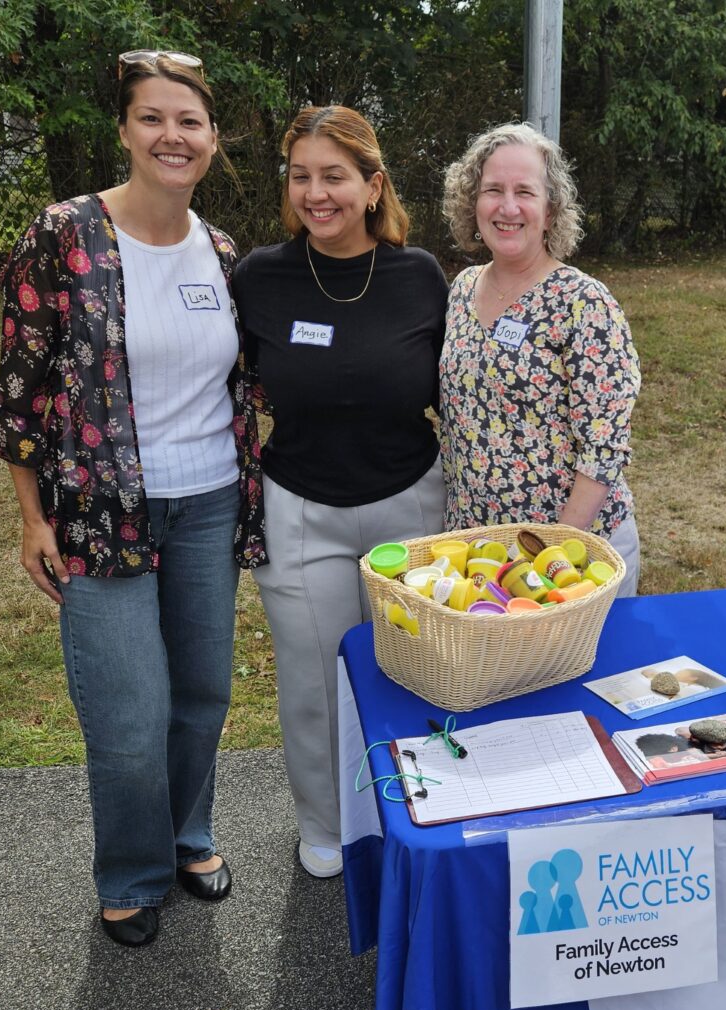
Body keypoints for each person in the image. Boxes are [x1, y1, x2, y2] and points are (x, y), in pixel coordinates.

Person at [0, 51, 266, 947]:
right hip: (97, 514)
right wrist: (32, 518)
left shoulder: (221, 252)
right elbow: (20, 387)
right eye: (152, 117)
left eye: (189, 122)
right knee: (129, 716)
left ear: (212, 140)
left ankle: (188, 838)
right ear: (124, 130)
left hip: (208, 505)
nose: (171, 136)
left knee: (202, 696)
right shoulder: (64, 233)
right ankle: (133, 874)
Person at [234, 106, 447, 877]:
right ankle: (327, 826)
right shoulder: (258, 277)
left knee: (418, 671)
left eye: (333, 176)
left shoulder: (419, 276)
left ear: (372, 185)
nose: (315, 193)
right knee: (314, 684)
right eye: (300, 176)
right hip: (301, 512)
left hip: (411, 506)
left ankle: (422, 813)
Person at [440, 123, 641, 597]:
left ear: (550, 211)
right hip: (481, 554)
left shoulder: (584, 303)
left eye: (525, 192)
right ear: (473, 203)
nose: (508, 207)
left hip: (571, 557)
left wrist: (551, 553)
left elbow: (604, 446)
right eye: (493, 190)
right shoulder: (462, 290)